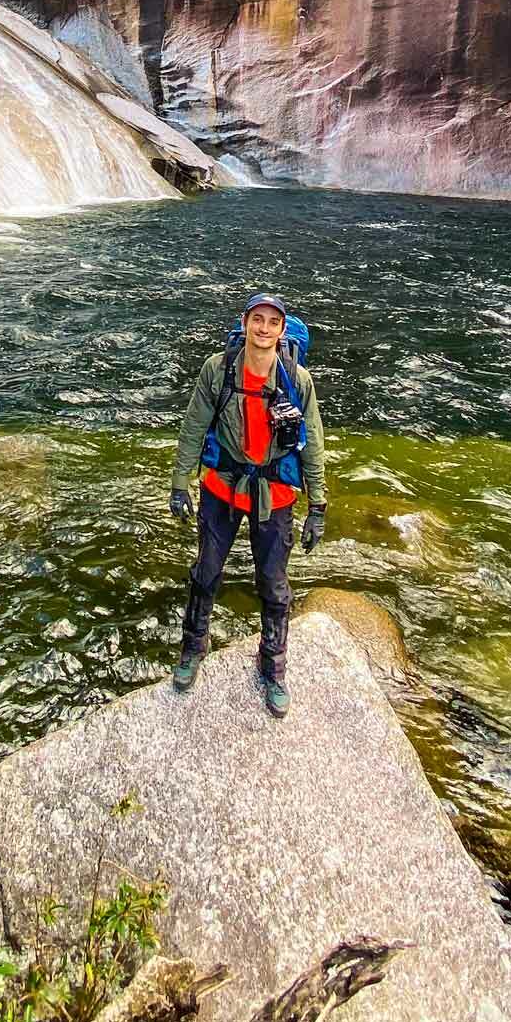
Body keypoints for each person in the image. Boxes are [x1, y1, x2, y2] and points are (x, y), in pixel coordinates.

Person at [169, 293, 327, 718]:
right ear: (245, 323)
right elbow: (193, 426)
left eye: (272, 322)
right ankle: (193, 648)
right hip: (222, 488)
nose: (263, 328)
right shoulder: (217, 371)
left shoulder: (299, 380)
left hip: (274, 495)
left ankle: (273, 665)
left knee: (274, 584)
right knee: (206, 571)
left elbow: (313, 445)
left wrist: (318, 506)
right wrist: (180, 484)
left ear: (281, 329)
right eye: (257, 319)